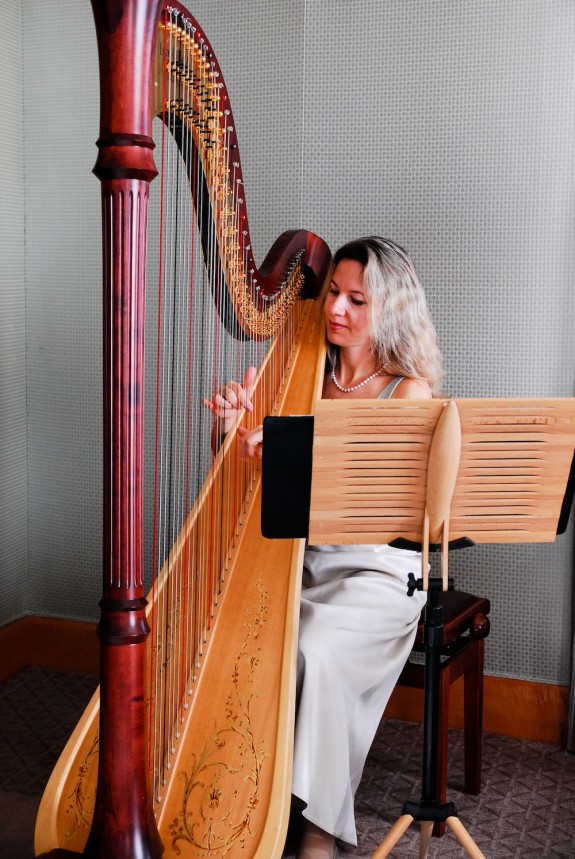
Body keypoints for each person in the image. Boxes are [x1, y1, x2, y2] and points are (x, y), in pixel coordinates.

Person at [204, 237, 443, 859]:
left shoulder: (407, 393)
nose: (335, 307)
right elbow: (250, 485)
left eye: (356, 299)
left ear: (389, 308)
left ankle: (316, 830)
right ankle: (250, 800)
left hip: (379, 573)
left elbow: (385, 506)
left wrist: (289, 452)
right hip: (300, 562)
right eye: (332, 292)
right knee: (244, 637)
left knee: (314, 650)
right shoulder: (297, 373)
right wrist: (232, 432)